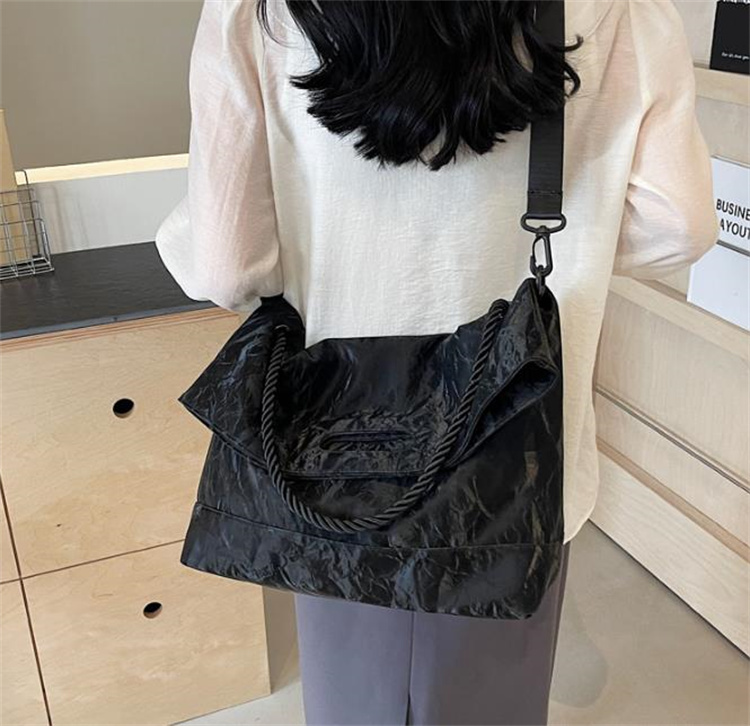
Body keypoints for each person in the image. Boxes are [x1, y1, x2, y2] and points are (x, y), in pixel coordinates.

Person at [155, 0, 719, 723]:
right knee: (495, 699)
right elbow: (680, 223)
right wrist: (581, 240)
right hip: (518, 464)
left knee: (354, 699)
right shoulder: (627, 10)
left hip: (335, 463)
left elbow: (227, 264)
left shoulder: (255, 12)